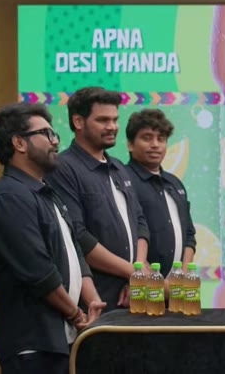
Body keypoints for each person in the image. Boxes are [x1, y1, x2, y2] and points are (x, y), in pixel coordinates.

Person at [0, 103, 106, 373]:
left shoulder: (45, 191)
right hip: (33, 344)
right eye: (46, 134)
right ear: (19, 143)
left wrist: (92, 301)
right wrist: (76, 314)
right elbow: (37, 271)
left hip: (61, 338)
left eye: (54, 134)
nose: (55, 141)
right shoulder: (10, 197)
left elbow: (74, 251)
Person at [46, 87, 150, 312]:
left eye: (115, 119)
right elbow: (77, 236)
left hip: (133, 294)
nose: (112, 126)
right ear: (78, 121)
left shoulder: (118, 168)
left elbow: (140, 223)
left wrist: (137, 272)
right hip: (94, 302)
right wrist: (134, 272)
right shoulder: (63, 168)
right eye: (103, 120)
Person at [124, 109, 196, 278]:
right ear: (130, 144)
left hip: (176, 286)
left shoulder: (175, 183)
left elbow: (189, 235)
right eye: (147, 138)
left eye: (161, 139)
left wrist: (182, 276)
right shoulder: (123, 179)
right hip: (139, 284)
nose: (155, 145)